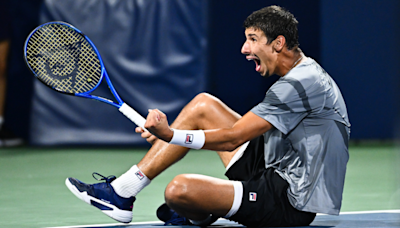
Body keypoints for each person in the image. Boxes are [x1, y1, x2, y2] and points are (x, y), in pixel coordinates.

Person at [66, 5, 350, 227]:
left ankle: (199, 214)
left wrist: (170, 135)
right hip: (274, 164)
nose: (244, 48)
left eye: (252, 39)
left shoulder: (300, 84)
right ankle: (122, 192)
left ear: (277, 43)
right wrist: (170, 133)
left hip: (290, 200)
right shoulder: (301, 71)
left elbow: (233, 138)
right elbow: (245, 132)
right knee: (203, 105)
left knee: (179, 190)